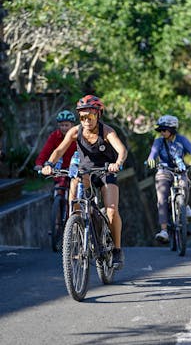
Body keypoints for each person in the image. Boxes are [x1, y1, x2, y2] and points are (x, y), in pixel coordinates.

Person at [41, 95, 128, 269]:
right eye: (82, 117)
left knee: (111, 211)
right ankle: (75, 236)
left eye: (90, 116)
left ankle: (117, 250)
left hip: (105, 171)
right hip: (85, 172)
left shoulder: (107, 131)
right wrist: (49, 164)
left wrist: (117, 163)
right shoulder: (75, 131)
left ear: (98, 115)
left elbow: (121, 149)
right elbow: (59, 150)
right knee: (75, 203)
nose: (86, 120)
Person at [147, 114, 191, 242]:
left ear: (173, 129)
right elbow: (152, 154)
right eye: (160, 130)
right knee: (162, 198)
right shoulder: (158, 141)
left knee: (184, 185)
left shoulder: (181, 139)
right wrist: (151, 160)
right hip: (164, 170)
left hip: (181, 170)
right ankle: (164, 231)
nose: (162, 132)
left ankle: (184, 206)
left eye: (164, 130)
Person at [34, 110, 77, 189]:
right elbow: (45, 151)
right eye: (62, 125)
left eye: (66, 125)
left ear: (72, 125)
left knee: (77, 189)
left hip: (75, 168)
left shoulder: (77, 136)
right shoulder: (54, 136)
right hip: (59, 169)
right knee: (58, 188)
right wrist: (39, 163)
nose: (64, 128)